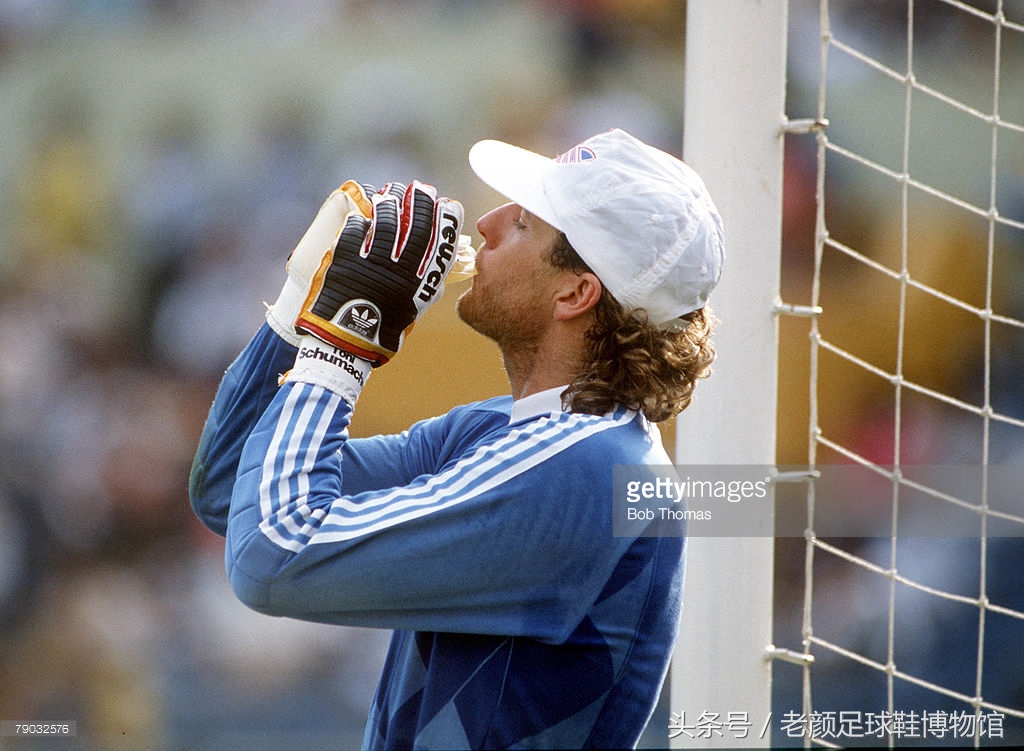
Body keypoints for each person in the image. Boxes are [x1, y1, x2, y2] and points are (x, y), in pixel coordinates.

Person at [189, 128, 724, 750]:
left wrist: (343, 339)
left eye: (525, 224)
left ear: (576, 293)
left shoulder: (589, 467)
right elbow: (232, 493)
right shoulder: (513, 432)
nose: (490, 222)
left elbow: (271, 559)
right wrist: (298, 309)